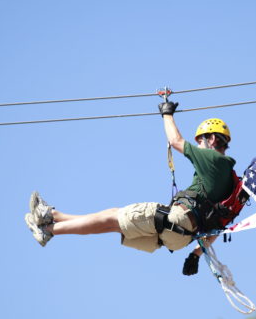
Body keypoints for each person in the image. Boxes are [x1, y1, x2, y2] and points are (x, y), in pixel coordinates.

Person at [24, 101, 236, 275]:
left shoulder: (213, 159)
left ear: (212, 139)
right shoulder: (233, 185)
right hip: (179, 239)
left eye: (200, 140)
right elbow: (219, 227)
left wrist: (167, 113)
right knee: (112, 220)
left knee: (112, 218)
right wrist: (195, 255)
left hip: (176, 220)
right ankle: (53, 216)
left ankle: (49, 229)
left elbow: (176, 140)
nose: (198, 145)